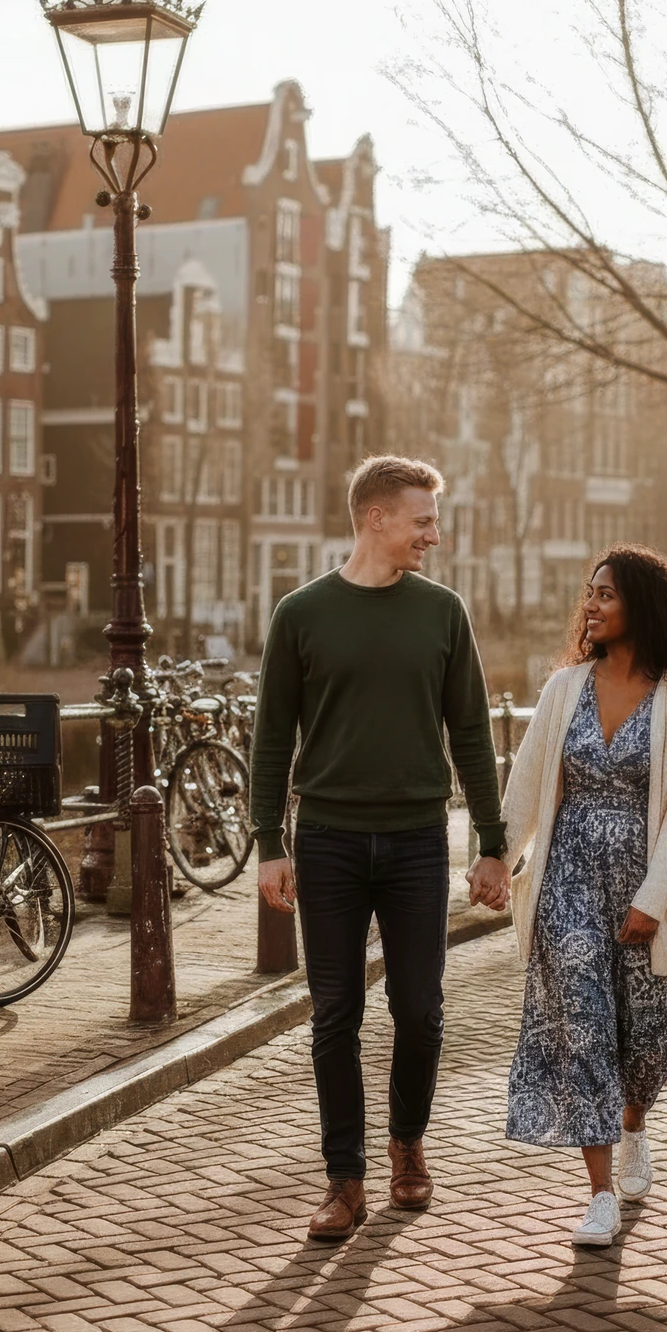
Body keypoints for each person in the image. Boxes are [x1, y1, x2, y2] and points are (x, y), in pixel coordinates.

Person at [250, 455, 511, 1242]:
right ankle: (345, 1177)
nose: (436, 533)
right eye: (423, 520)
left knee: (422, 1011)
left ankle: (407, 1143)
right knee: (334, 1013)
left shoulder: (442, 613)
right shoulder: (301, 614)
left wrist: (491, 845)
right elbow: (271, 741)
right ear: (376, 518)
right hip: (324, 840)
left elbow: (471, 735)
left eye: (434, 519)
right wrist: (270, 841)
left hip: (416, 841)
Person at [501, 545, 667, 1247]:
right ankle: (599, 1196)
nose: (591, 605)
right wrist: (492, 860)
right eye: (589, 593)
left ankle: (634, 1128)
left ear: (644, 608)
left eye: (607, 594)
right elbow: (526, 784)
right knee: (584, 1031)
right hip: (565, 881)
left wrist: (653, 899)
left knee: (643, 1036)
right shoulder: (564, 689)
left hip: (638, 892)